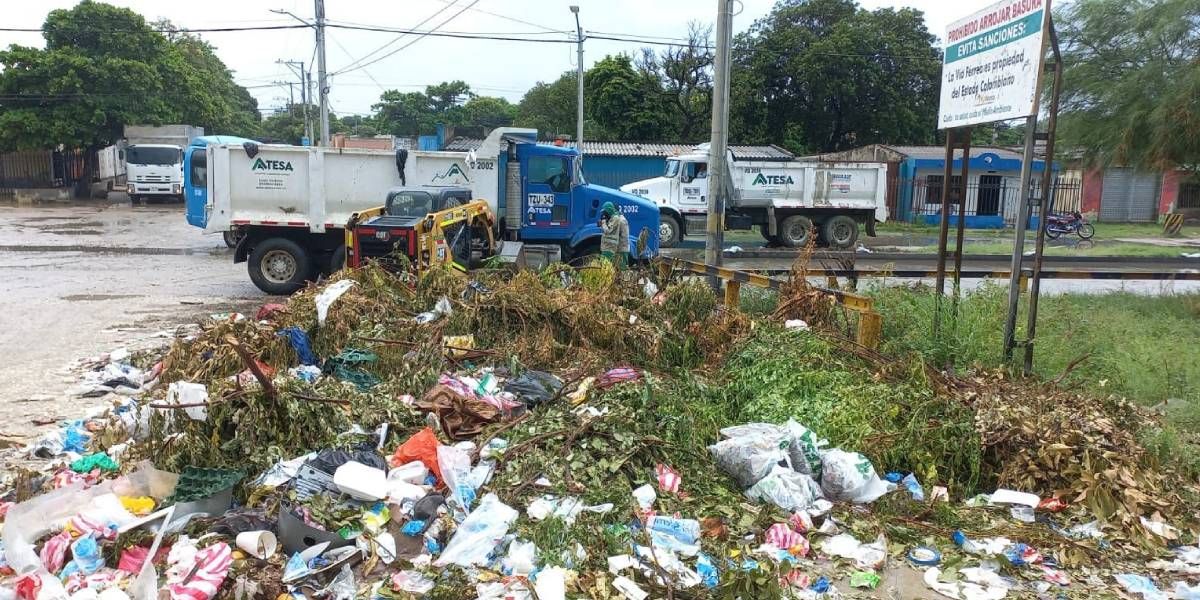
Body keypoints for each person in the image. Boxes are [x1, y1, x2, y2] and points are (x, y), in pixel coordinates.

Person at [599, 201, 629, 267]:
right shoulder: (616, 218)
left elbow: (610, 231)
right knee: (615, 267)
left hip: (621, 248)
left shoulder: (620, 219)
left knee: (622, 267)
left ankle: (624, 277)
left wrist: (604, 222)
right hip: (616, 247)